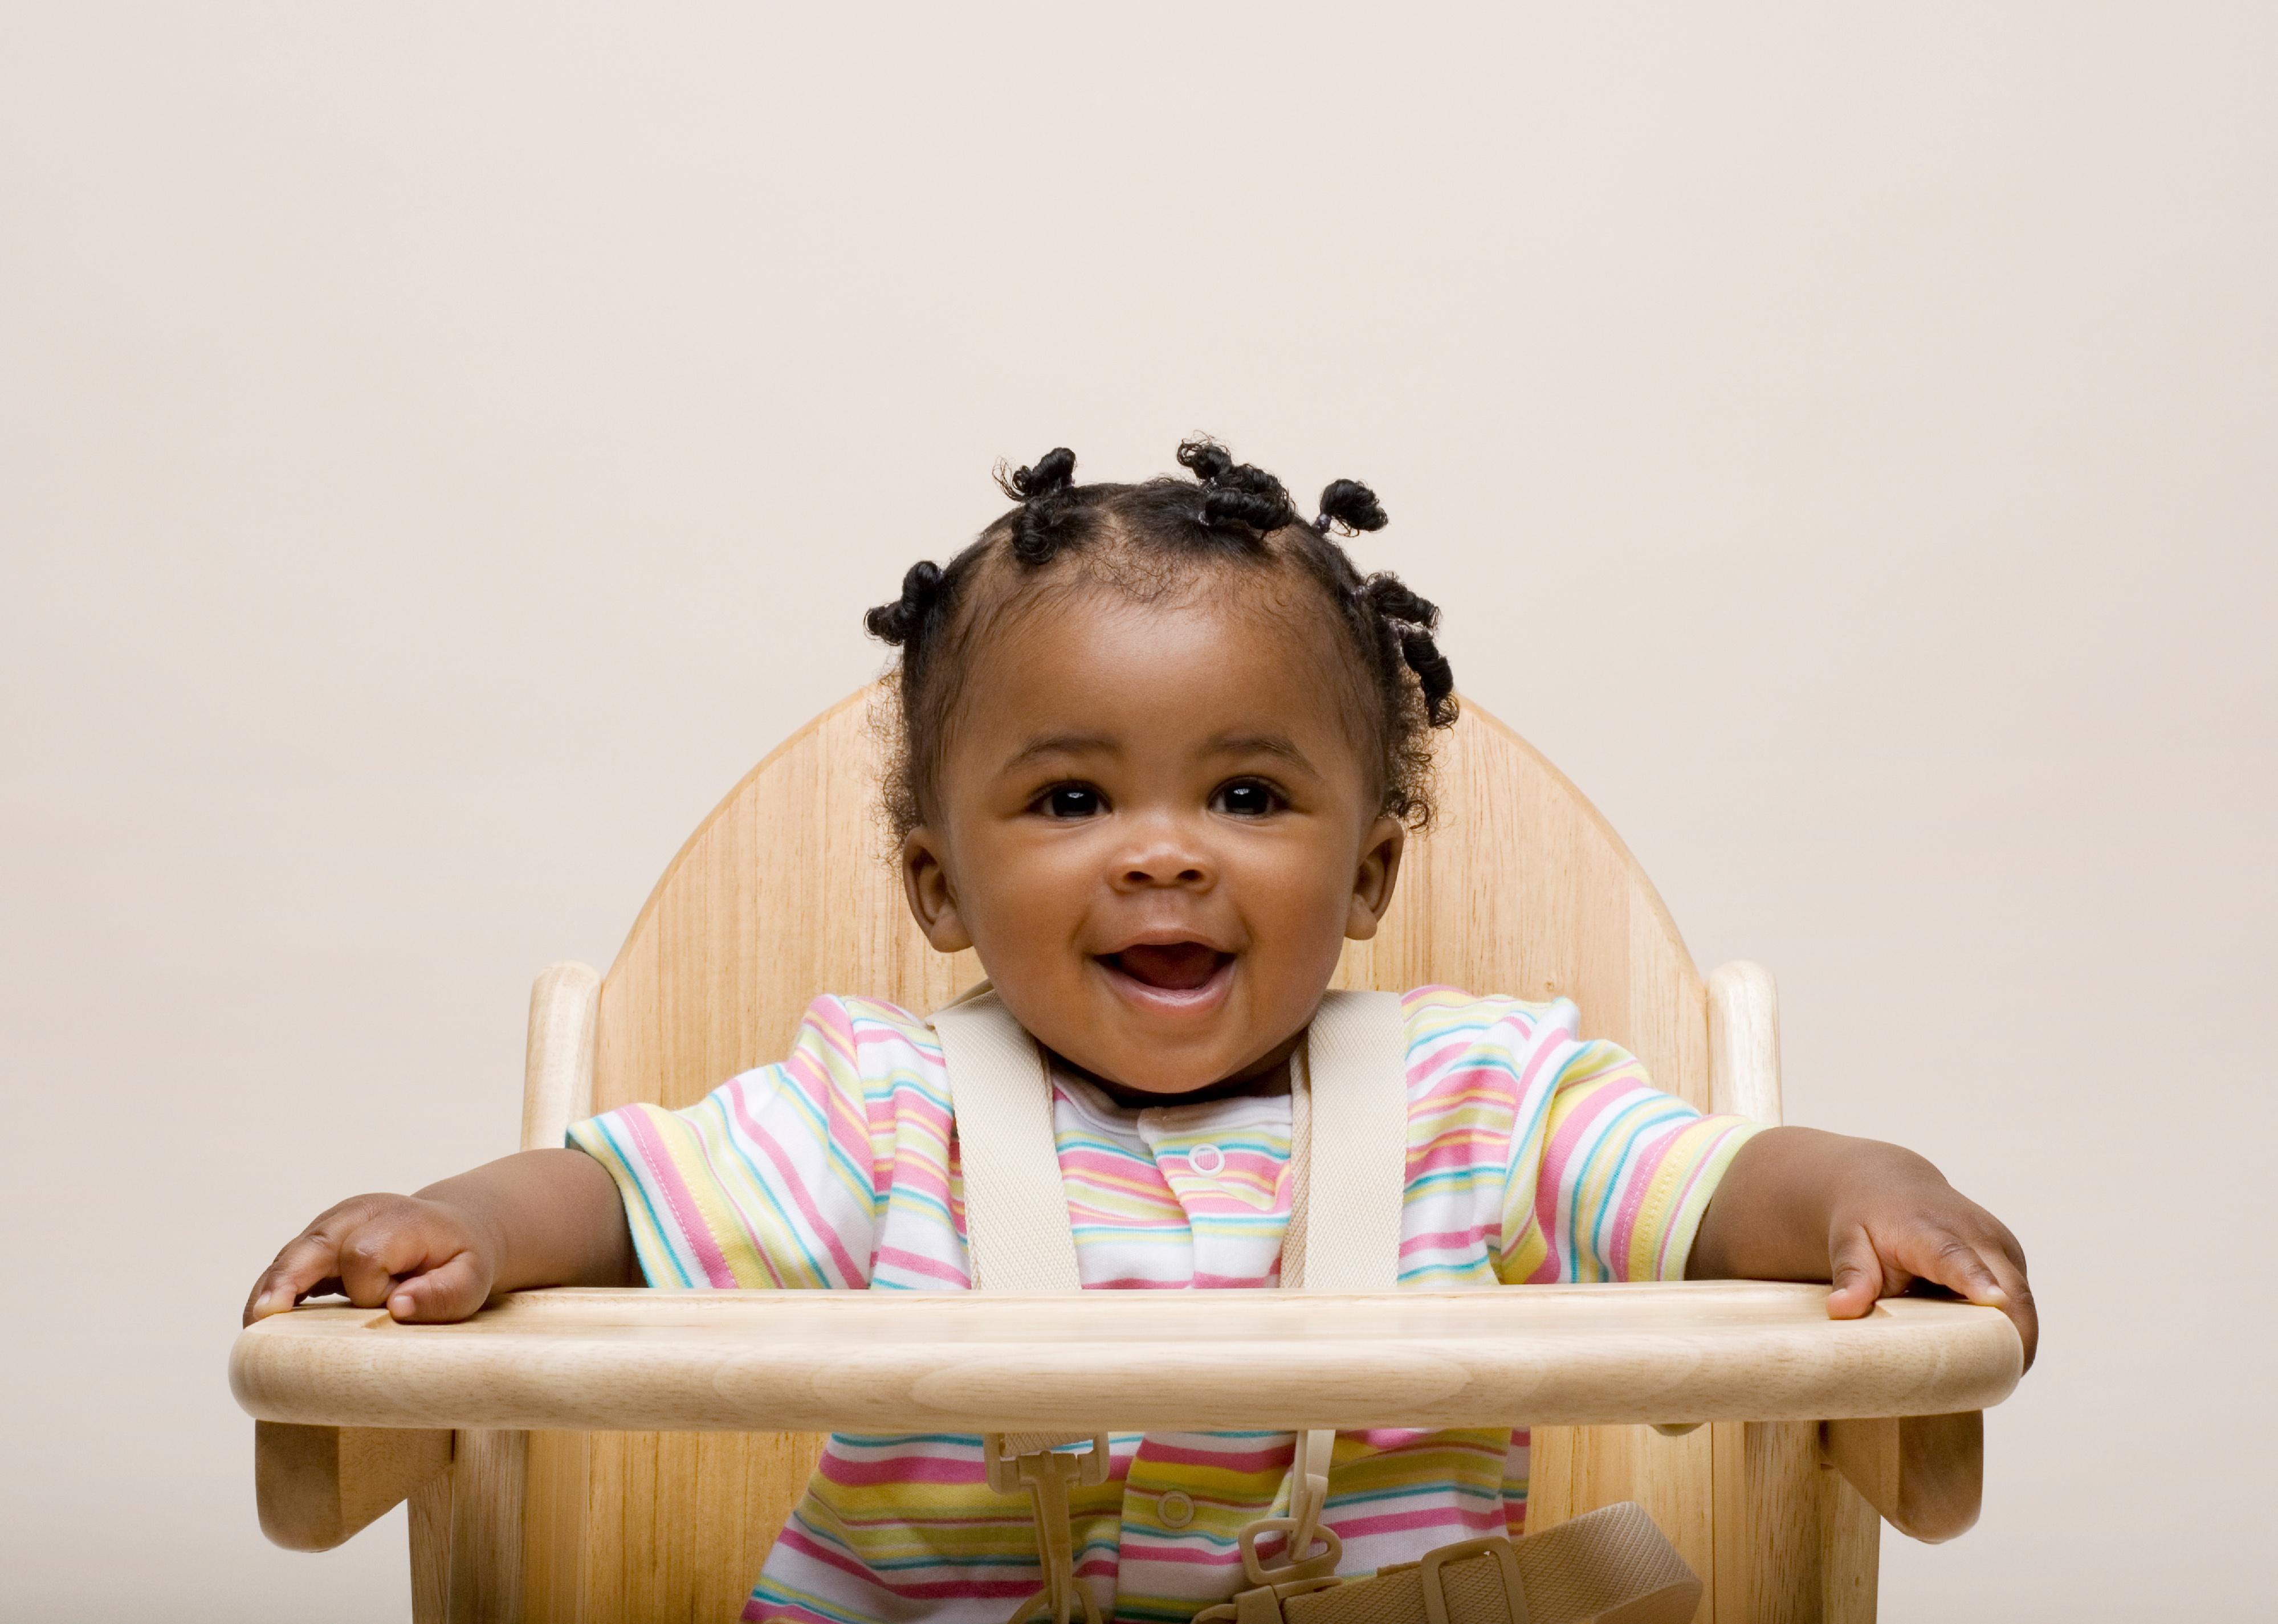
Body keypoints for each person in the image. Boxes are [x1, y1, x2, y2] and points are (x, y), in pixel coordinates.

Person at [244, 440, 2036, 1624]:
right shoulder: (882, 1110)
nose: (1164, 848)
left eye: (1248, 791)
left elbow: (1711, 1191)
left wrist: (1867, 1186)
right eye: (1073, 795)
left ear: (1367, 869)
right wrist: (466, 1225)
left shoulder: (1476, 1096)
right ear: (941, 884)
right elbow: (622, 1204)